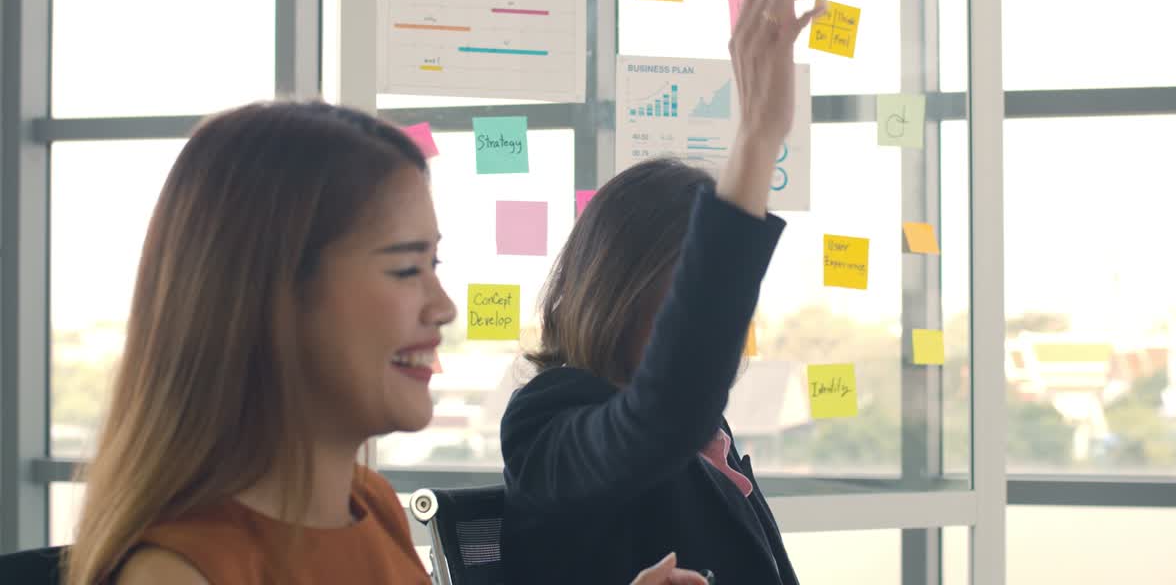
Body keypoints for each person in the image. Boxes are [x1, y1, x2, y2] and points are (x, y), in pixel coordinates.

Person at [63, 102, 709, 585]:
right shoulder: (180, 574)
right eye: (406, 269)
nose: (443, 306)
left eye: (436, 265)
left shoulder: (370, 507)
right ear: (270, 297)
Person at [500, 0, 825, 585]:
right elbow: (660, 416)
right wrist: (757, 139)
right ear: (618, 293)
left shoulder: (710, 437)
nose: (718, 320)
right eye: (689, 293)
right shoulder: (546, 421)